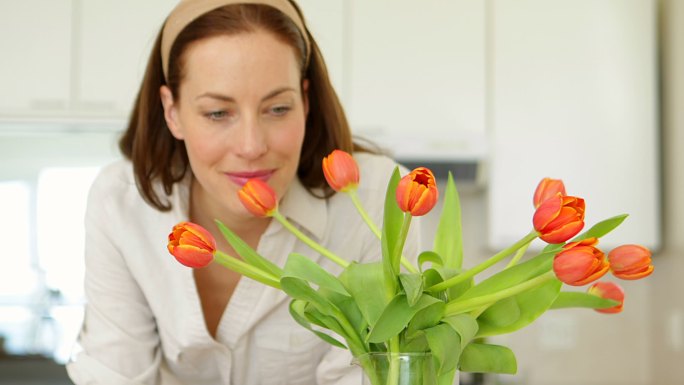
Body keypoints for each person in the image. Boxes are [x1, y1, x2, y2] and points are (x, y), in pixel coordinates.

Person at [66, 0, 420, 384]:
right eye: (218, 113)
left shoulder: (373, 202)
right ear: (172, 111)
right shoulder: (121, 204)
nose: (251, 146)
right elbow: (116, 374)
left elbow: (382, 373)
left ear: (305, 101)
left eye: (278, 108)